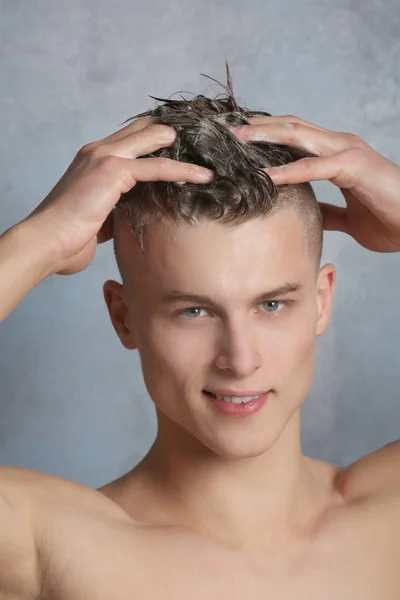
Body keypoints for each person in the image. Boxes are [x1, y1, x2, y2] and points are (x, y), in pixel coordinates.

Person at [1, 75, 400, 599]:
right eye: (193, 311)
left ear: (321, 301)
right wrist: (40, 240)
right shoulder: (50, 544)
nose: (240, 359)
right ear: (124, 317)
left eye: (272, 304)